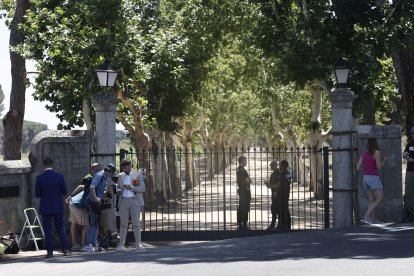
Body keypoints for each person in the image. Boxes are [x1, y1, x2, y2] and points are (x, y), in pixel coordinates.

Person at [34, 157, 70, 258]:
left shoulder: (39, 177)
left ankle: (50, 252)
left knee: (47, 229)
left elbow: (37, 194)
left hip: (45, 207)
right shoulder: (59, 176)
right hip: (57, 206)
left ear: (43, 165)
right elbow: (64, 191)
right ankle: (65, 249)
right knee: (61, 228)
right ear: (52, 164)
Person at [65, 163, 101, 251]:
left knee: (74, 224)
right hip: (78, 205)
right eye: (95, 169)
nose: (97, 170)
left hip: (72, 202)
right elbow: (81, 187)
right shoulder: (93, 180)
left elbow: (81, 187)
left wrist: (71, 196)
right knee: (87, 225)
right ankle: (83, 246)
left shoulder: (91, 180)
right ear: (91, 169)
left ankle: (75, 245)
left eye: (98, 169)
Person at [83, 163, 116, 252]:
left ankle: (93, 243)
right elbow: (92, 188)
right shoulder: (100, 175)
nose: (112, 175)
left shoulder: (104, 176)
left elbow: (99, 189)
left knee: (96, 224)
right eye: (112, 173)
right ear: (110, 171)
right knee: (92, 224)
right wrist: (96, 198)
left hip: (97, 203)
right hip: (93, 203)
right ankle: (88, 244)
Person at [355, 137, 387, 224]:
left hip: (365, 178)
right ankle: (366, 216)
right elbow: (378, 167)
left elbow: (357, 168)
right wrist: (384, 160)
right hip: (373, 178)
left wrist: (365, 169)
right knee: (379, 198)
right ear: (375, 144)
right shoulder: (377, 153)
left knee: (371, 199)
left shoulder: (364, 153)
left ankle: (372, 220)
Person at [116, 159, 146, 250]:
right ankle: (121, 245)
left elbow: (142, 188)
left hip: (135, 201)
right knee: (123, 224)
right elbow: (117, 186)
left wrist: (131, 188)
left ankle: (138, 244)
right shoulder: (121, 176)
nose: (124, 169)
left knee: (136, 223)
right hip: (124, 201)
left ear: (130, 166)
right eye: (123, 167)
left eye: (126, 167)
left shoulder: (137, 174)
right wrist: (118, 190)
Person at [236, 156, 252, 230]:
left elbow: (249, 180)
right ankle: (243, 224)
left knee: (242, 207)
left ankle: (241, 223)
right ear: (241, 161)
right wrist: (247, 181)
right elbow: (249, 180)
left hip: (243, 191)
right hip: (244, 191)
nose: (246, 162)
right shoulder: (242, 170)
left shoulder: (240, 169)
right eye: (245, 161)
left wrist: (248, 180)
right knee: (244, 207)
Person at [264, 160, 280, 231]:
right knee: (273, 209)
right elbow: (270, 185)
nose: (271, 166)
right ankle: (273, 224)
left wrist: (271, 186)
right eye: (271, 165)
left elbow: (278, 185)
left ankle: (278, 224)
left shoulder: (278, 173)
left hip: (278, 194)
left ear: (276, 165)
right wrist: (267, 184)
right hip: (273, 194)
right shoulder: (272, 174)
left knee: (277, 209)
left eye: (272, 165)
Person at [276, 160, 291, 230]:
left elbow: (279, 185)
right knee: (286, 208)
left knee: (282, 209)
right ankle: (288, 224)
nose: (279, 166)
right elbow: (288, 182)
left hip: (281, 193)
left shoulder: (282, 174)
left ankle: (282, 224)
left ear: (283, 166)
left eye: (280, 165)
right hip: (287, 193)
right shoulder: (288, 173)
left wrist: (276, 191)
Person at [404, 127, 414, 210]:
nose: (413, 135)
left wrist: (413, 159)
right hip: (410, 171)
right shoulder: (409, 144)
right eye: (412, 133)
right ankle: (411, 210)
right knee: (409, 191)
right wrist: (406, 157)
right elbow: (405, 154)